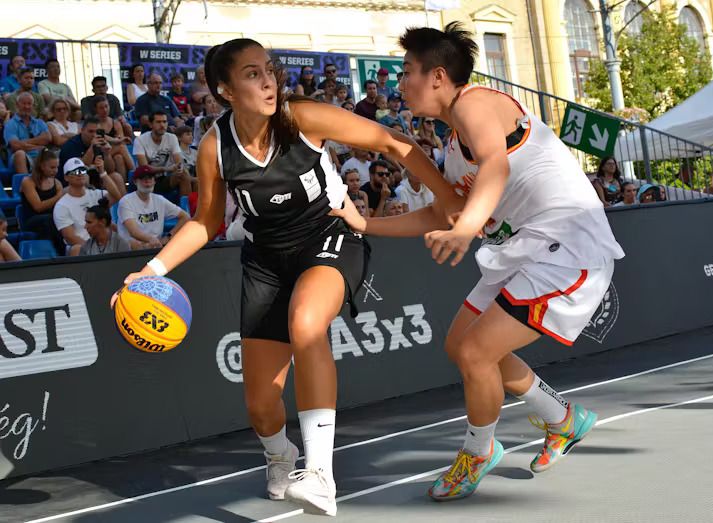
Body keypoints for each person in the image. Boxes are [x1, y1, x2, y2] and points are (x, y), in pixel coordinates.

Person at [112, 38, 458, 517]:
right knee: (260, 405)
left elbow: (390, 141)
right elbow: (205, 220)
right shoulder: (216, 146)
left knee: (307, 324)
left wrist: (450, 202)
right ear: (225, 90)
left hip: (328, 234)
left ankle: (319, 474)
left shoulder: (301, 117)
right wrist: (149, 271)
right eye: (252, 73)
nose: (269, 80)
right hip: (266, 259)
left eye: (269, 69)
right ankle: (281, 455)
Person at [334, 23, 624, 502]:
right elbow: (438, 212)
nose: (399, 82)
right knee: (461, 346)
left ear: (439, 77)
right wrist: (365, 225)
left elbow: (496, 164)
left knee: (476, 353)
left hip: (567, 243)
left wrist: (467, 228)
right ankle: (563, 419)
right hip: (524, 247)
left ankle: (478, 450)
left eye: (407, 71)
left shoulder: (476, 104)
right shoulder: (451, 145)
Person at [54, 157, 122, 255]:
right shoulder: (62, 205)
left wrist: (102, 173)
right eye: (75, 172)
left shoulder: (96, 194)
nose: (80, 174)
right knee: (77, 249)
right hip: (82, 246)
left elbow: (116, 196)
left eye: (83, 170)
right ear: (66, 177)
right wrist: (94, 248)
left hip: (103, 242)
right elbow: (70, 237)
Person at [117, 166, 190, 248]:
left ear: (154, 181)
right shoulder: (126, 201)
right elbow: (133, 232)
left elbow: (185, 217)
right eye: (142, 178)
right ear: (135, 181)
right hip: (132, 250)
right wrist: (151, 240)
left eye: (150, 178)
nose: (147, 181)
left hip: (155, 247)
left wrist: (168, 237)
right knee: (134, 244)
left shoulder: (159, 200)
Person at [20, 148, 66, 249]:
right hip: (31, 220)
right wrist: (58, 196)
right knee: (50, 220)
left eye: (57, 167)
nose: (56, 171)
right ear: (42, 166)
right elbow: (38, 207)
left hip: (52, 219)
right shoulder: (28, 182)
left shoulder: (57, 183)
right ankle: (61, 250)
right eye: (52, 167)